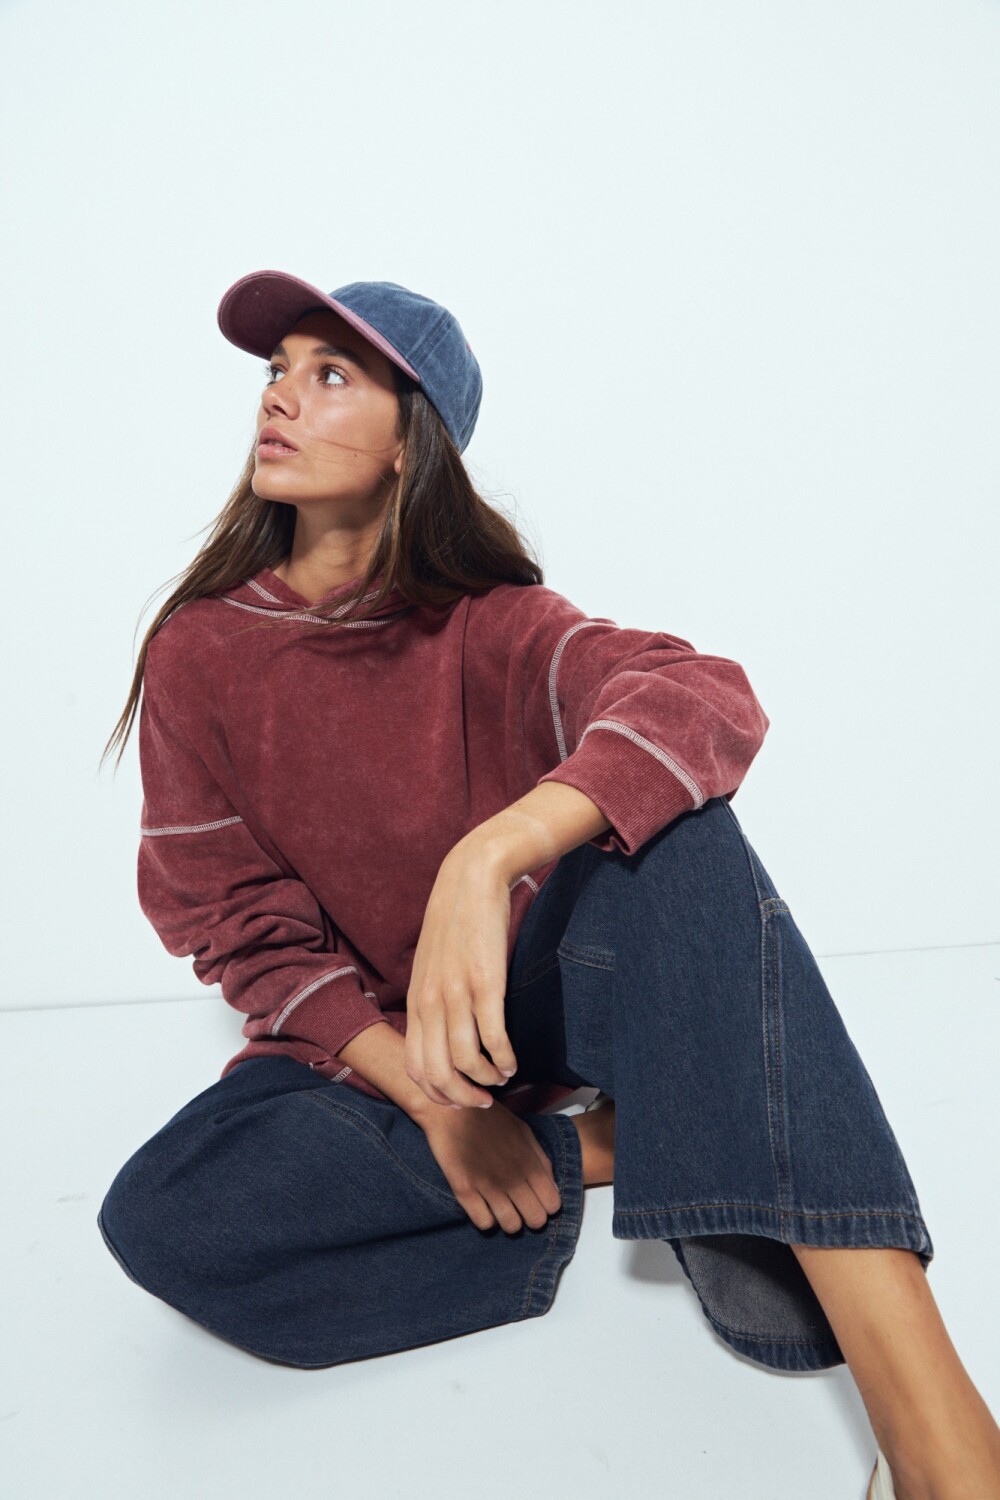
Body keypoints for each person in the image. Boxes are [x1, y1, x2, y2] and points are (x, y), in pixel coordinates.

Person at [98, 270, 1000, 1500]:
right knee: (168, 1214)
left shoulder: (495, 625)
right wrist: (435, 1103)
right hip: (359, 1054)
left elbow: (702, 695)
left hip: (533, 1009)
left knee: (683, 837)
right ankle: (629, 1146)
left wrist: (492, 853)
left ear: (412, 441)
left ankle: (941, 1436)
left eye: (329, 374)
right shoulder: (200, 648)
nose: (279, 399)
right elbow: (232, 919)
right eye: (275, 371)